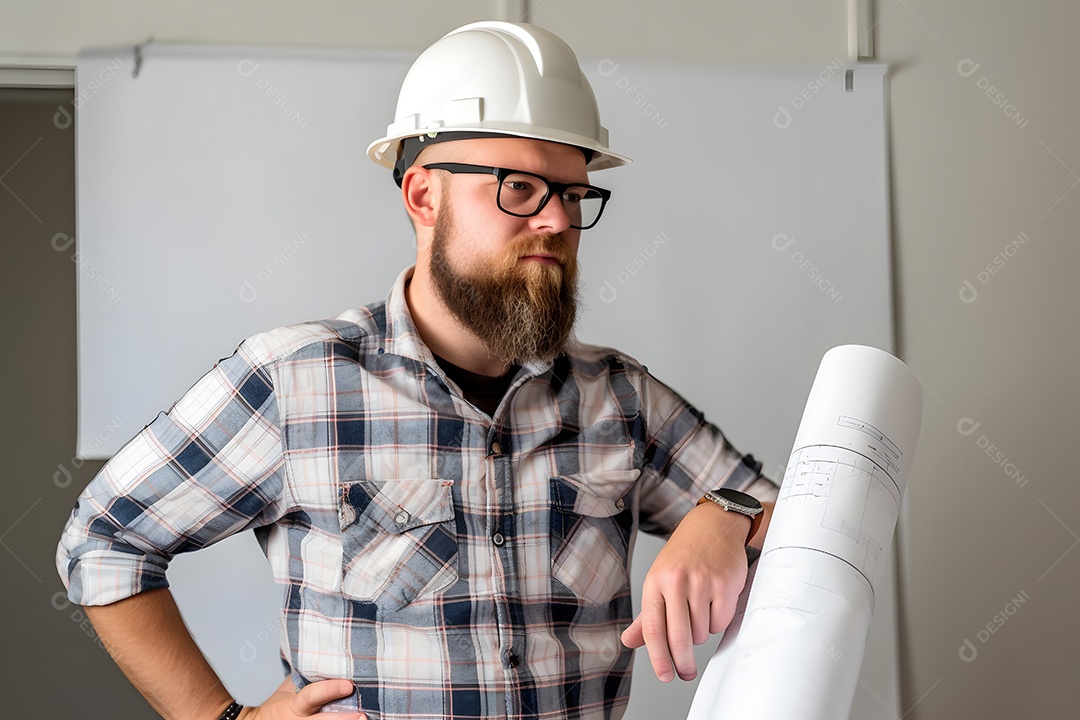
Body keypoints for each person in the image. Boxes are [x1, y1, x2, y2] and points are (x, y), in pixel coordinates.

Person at [57, 21, 778, 720]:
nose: (557, 221)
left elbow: (803, 514)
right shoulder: (296, 382)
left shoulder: (618, 398)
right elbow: (104, 540)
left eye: (572, 193)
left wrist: (727, 514)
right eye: (521, 189)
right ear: (423, 196)